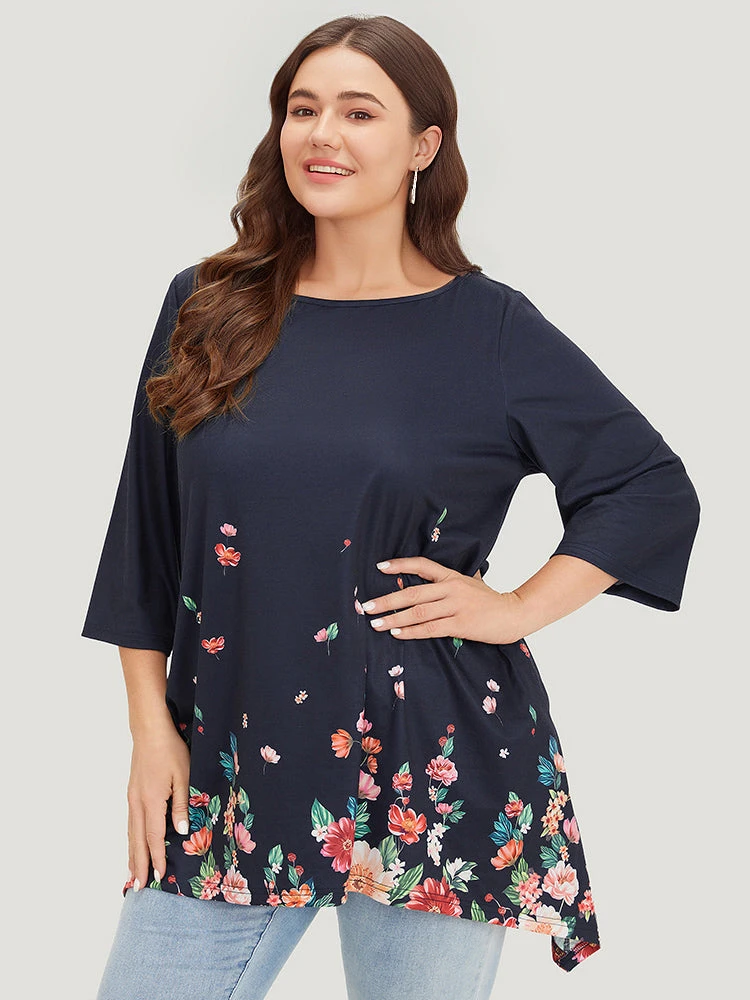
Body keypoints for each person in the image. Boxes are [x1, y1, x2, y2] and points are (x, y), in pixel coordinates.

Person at [81, 14, 701, 1000]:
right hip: (228, 761)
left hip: (433, 766)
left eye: (359, 112)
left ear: (423, 145)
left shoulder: (489, 330)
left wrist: (515, 607)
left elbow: (648, 486)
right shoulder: (206, 306)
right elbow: (145, 536)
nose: (322, 134)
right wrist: (150, 730)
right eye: (303, 109)